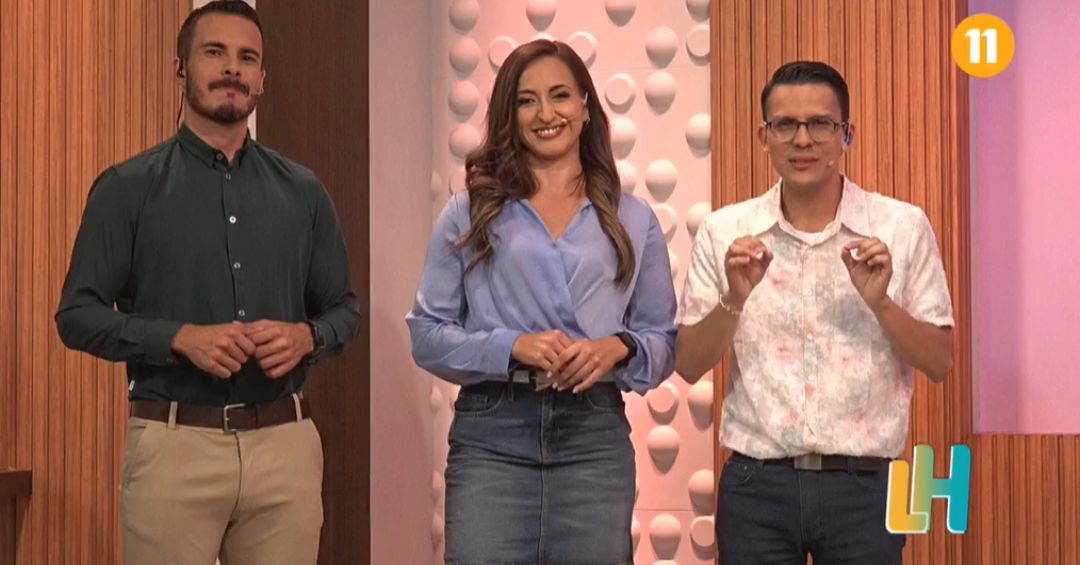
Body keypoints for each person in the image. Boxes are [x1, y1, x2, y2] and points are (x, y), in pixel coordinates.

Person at [54, 2, 359, 563]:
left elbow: (344, 309)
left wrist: (307, 337)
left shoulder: (303, 192)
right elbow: (76, 315)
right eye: (215, 52)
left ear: (262, 79)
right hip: (174, 448)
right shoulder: (127, 188)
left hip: (285, 450)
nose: (232, 69)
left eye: (248, 58)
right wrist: (178, 338)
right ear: (180, 67)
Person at [407, 39, 676, 564]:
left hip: (593, 435)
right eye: (526, 101)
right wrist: (512, 346)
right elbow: (427, 335)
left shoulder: (633, 217)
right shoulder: (469, 212)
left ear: (586, 107)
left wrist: (617, 348)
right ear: (509, 115)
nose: (546, 113)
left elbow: (662, 339)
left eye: (560, 95)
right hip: (492, 435)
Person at [675, 61, 954, 564]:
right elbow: (689, 363)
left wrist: (880, 303)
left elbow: (940, 360)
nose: (802, 139)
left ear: (847, 134)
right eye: (785, 124)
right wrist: (734, 299)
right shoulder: (725, 232)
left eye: (820, 124)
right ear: (764, 136)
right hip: (756, 486)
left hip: (867, 487)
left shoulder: (901, 226)